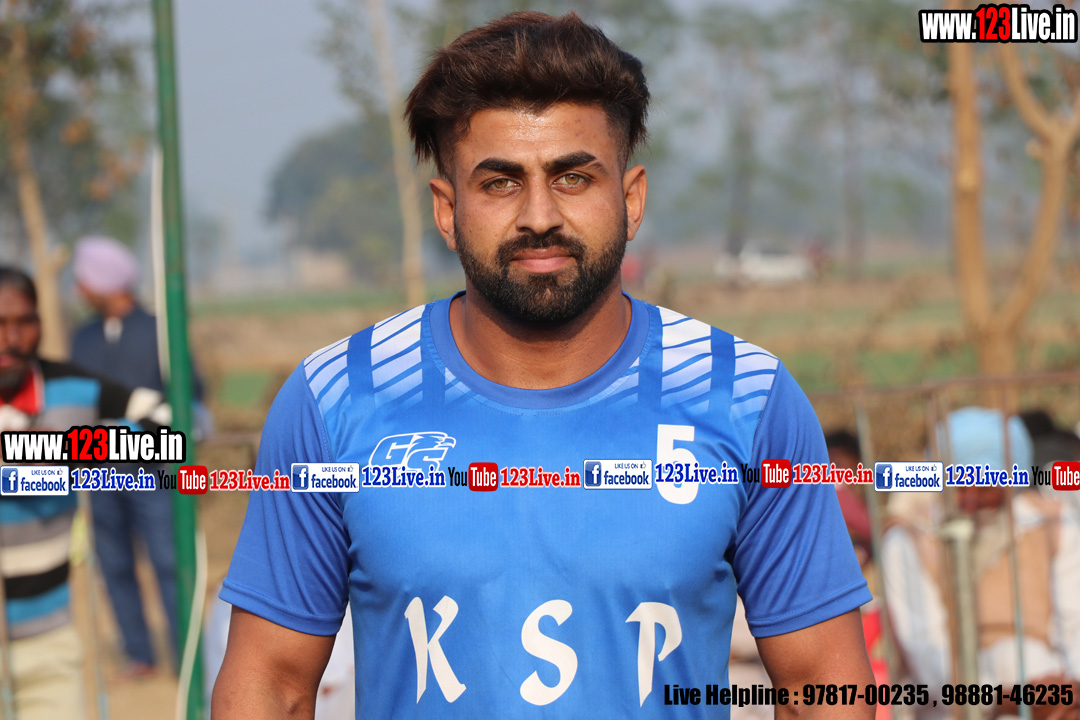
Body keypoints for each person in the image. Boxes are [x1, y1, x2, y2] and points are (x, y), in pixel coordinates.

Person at [213, 12, 874, 719]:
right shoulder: (337, 400)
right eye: (500, 182)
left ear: (631, 198)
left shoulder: (745, 397)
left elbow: (823, 687)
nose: (539, 215)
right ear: (447, 209)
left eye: (573, 177)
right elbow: (272, 685)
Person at [0, 266, 171, 719]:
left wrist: (69, 449)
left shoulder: (71, 389)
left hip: (49, 643)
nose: (10, 339)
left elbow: (163, 420)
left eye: (23, 322)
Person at [882, 407, 1080, 720]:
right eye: (960, 486)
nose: (971, 500)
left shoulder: (1053, 524)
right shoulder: (908, 541)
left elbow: (1074, 630)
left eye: (985, 487)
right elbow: (930, 659)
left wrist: (1064, 690)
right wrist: (1005, 700)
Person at [68, 235, 195, 676]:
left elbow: (190, 393)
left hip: (154, 470)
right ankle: (138, 654)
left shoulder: (161, 330)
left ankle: (186, 654)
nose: (79, 288)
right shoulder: (82, 338)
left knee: (168, 561)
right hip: (97, 472)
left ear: (105, 282)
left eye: (84, 279)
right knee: (114, 564)